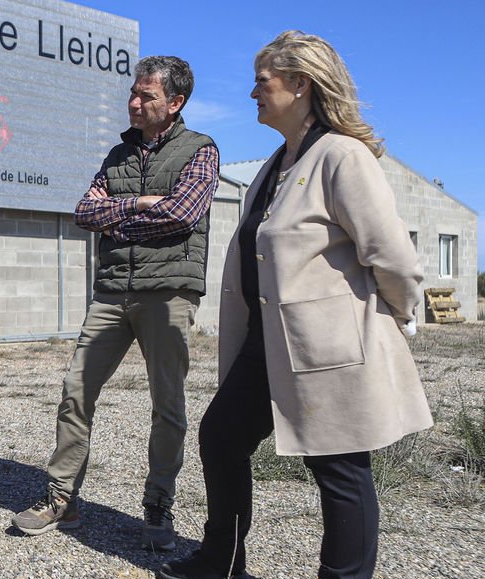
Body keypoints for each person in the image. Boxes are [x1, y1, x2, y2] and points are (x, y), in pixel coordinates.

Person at [157, 31, 431, 579]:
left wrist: (399, 319)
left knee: (339, 470)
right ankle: (221, 562)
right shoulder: (276, 164)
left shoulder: (342, 156)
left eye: (262, 82)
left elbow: (392, 256)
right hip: (269, 345)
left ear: (300, 84)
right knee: (222, 437)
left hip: (329, 347)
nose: (252, 93)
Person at [11, 56, 218, 551]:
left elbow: (183, 216)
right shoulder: (117, 155)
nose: (134, 102)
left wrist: (119, 219)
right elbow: (85, 211)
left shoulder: (201, 151)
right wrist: (138, 204)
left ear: (175, 102)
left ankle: (158, 508)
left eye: (146, 95)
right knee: (76, 391)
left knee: (166, 405)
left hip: (168, 292)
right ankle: (63, 499)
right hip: (111, 292)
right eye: (133, 92)